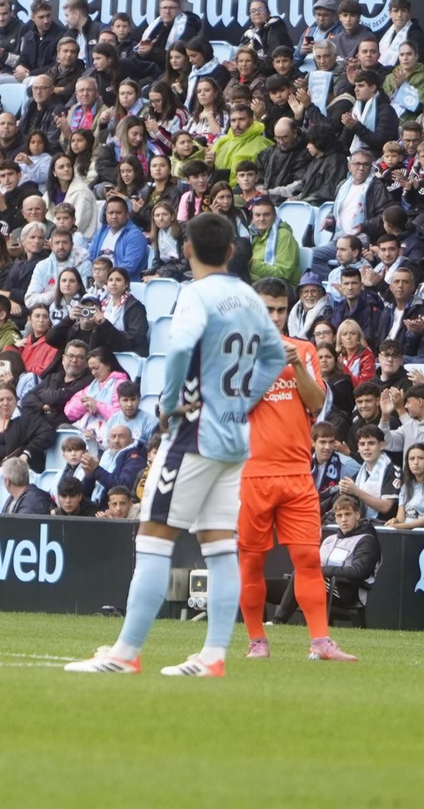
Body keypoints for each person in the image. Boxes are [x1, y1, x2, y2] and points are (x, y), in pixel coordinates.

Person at [66, 213, 285, 677]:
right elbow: (274, 356)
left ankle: (125, 653)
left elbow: (181, 349)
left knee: (153, 538)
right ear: (231, 250)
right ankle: (214, 655)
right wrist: (244, 398)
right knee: (220, 545)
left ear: (186, 249)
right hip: (232, 438)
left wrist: (169, 404)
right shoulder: (247, 295)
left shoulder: (195, 294)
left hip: (193, 433)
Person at [236, 277, 356, 662]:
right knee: (251, 561)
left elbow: (318, 403)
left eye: (281, 310)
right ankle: (257, 639)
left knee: (307, 558)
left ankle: (320, 642)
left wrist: (296, 368)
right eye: (267, 309)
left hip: (297, 474)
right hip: (252, 474)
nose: (274, 317)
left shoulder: (302, 350)